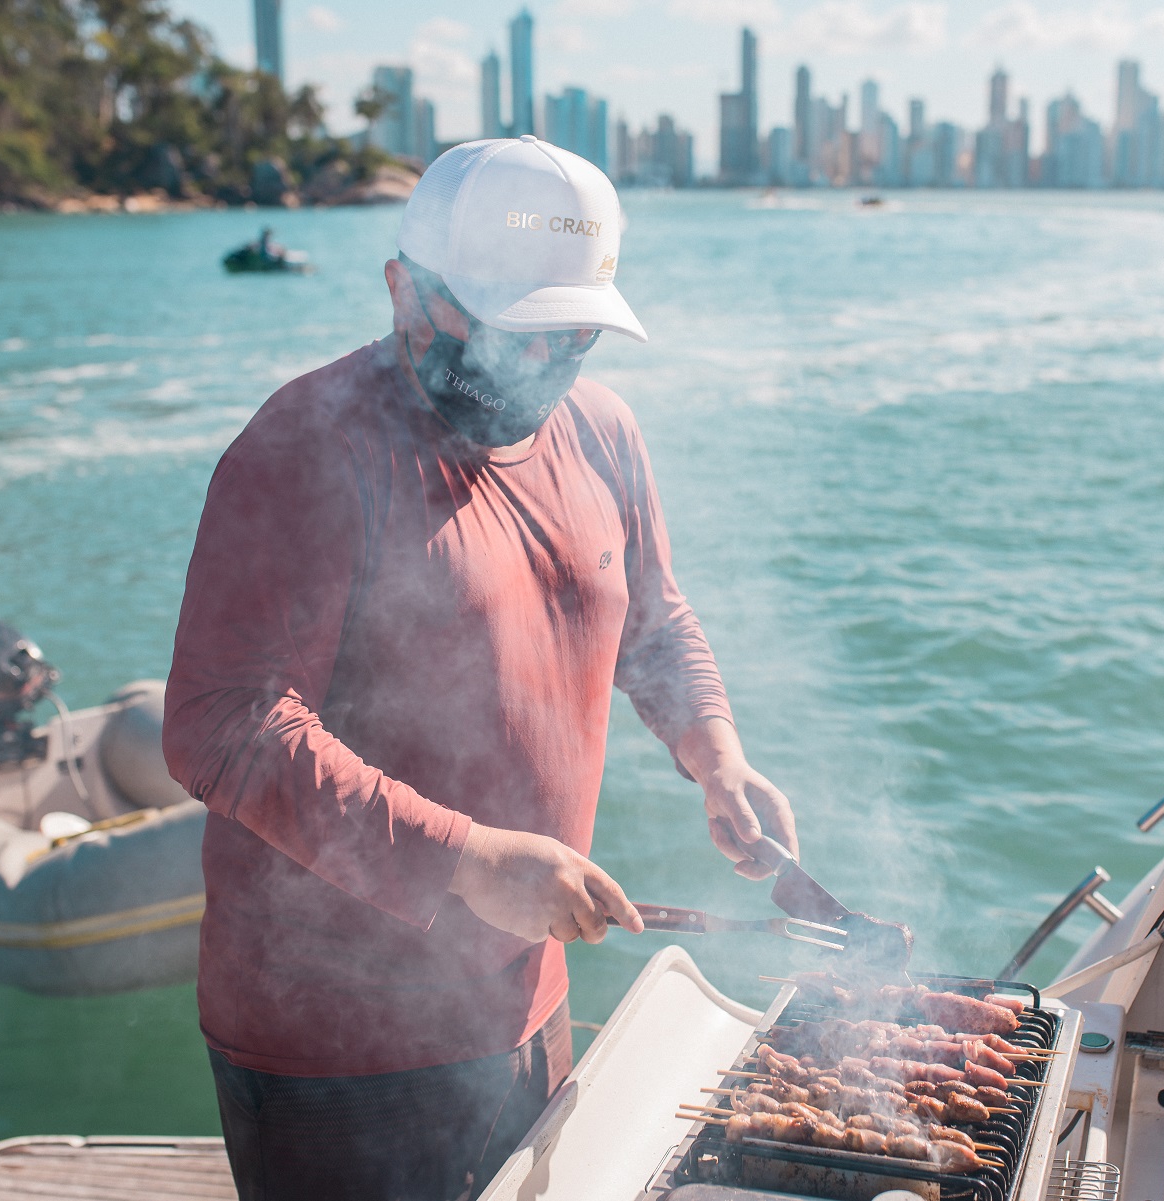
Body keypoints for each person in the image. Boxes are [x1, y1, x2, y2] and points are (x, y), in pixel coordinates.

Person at [163, 134, 799, 1201]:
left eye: (573, 336)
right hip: (337, 1044)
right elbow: (222, 724)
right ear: (408, 290)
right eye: (520, 334)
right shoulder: (304, 450)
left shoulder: (601, 430)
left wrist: (715, 753)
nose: (545, 368)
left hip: (525, 992)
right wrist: (467, 858)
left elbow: (652, 617)